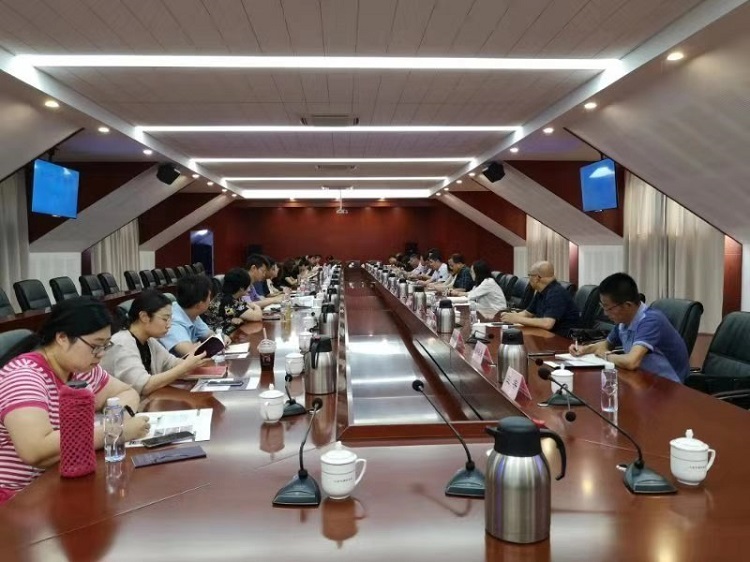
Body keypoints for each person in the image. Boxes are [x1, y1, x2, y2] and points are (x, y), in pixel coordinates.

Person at [0, 297, 149, 500]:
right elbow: (35, 449)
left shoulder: (80, 369)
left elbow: (127, 392)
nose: (101, 355)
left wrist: (118, 418)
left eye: (105, 346)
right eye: (95, 346)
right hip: (19, 496)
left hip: (62, 479)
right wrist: (115, 432)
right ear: (62, 338)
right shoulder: (24, 376)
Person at [569, 273, 689, 383]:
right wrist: (583, 350)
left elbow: (632, 362)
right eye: (603, 307)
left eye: (608, 308)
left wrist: (605, 356)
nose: (605, 313)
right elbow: (606, 345)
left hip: (669, 387)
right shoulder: (624, 322)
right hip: (643, 380)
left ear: (627, 305)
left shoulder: (651, 321)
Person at [101, 290, 212, 396]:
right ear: (144, 317)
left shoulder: (150, 341)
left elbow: (171, 363)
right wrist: (184, 368)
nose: (169, 325)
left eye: (170, 319)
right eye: (165, 319)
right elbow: (143, 386)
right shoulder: (122, 343)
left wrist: (194, 362)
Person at [501, 261, 579, 335]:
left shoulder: (556, 293)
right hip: (547, 334)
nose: (529, 278)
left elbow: (547, 324)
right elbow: (527, 313)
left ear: (537, 278)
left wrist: (517, 319)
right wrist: (510, 316)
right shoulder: (541, 291)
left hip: (562, 339)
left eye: (529, 275)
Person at [160, 274, 222, 357]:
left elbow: (209, 335)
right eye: (209, 297)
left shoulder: (190, 311)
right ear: (199, 305)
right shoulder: (172, 322)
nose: (210, 300)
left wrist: (221, 338)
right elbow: (192, 354)